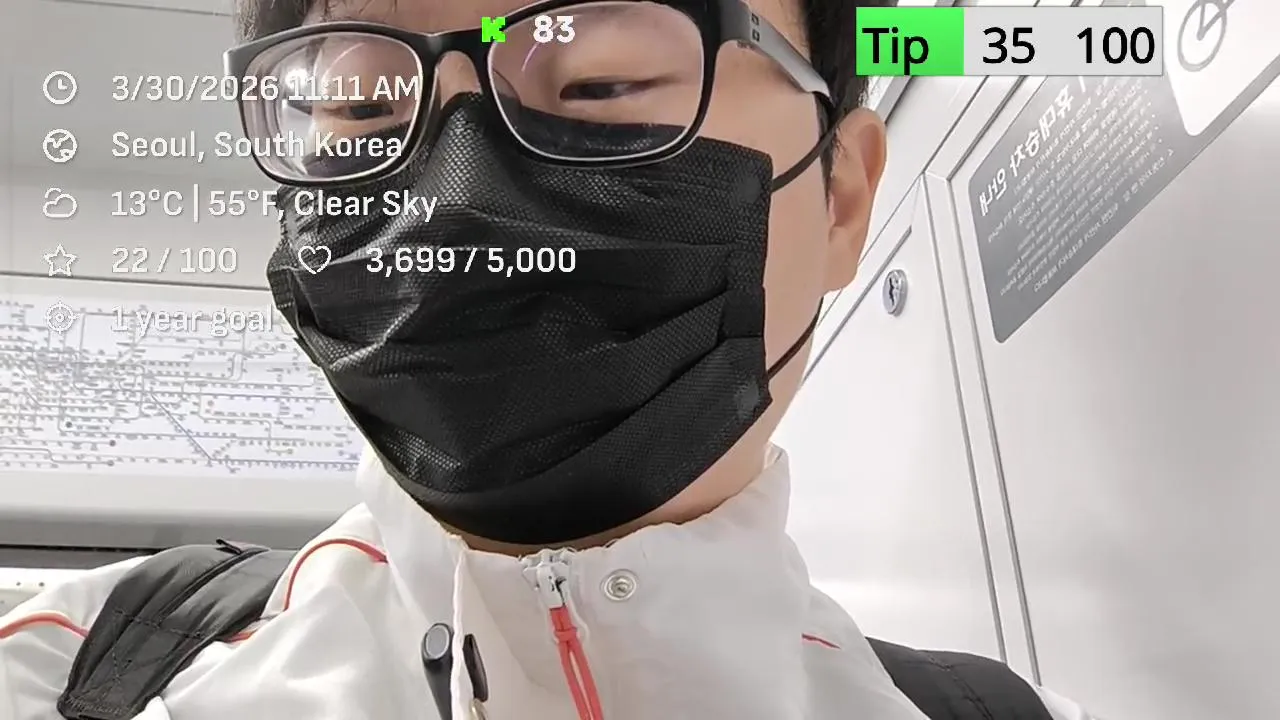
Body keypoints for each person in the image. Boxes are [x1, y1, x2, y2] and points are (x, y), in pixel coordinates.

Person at [0, 1, 1096, 718]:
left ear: (841, 198)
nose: (454, 202)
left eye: (600, 84)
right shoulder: (73, 669)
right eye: (362, 108)